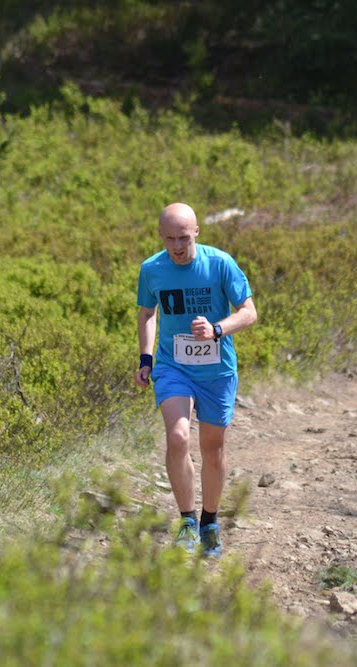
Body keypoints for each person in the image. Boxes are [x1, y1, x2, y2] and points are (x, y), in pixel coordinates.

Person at [134, 202, 258, 558]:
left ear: (197, 233)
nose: (177, 246)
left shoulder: (220, 263)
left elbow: (249, 312)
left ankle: (210, 523)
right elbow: (147, 313)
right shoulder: (152, 269)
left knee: (212, 450)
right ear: (161, 236)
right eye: (170, 239)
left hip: (217, 371)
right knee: (177, 437)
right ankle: (187, 521)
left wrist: (217, 329)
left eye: (184, 238)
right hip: (173, 367)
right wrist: (146, 358)